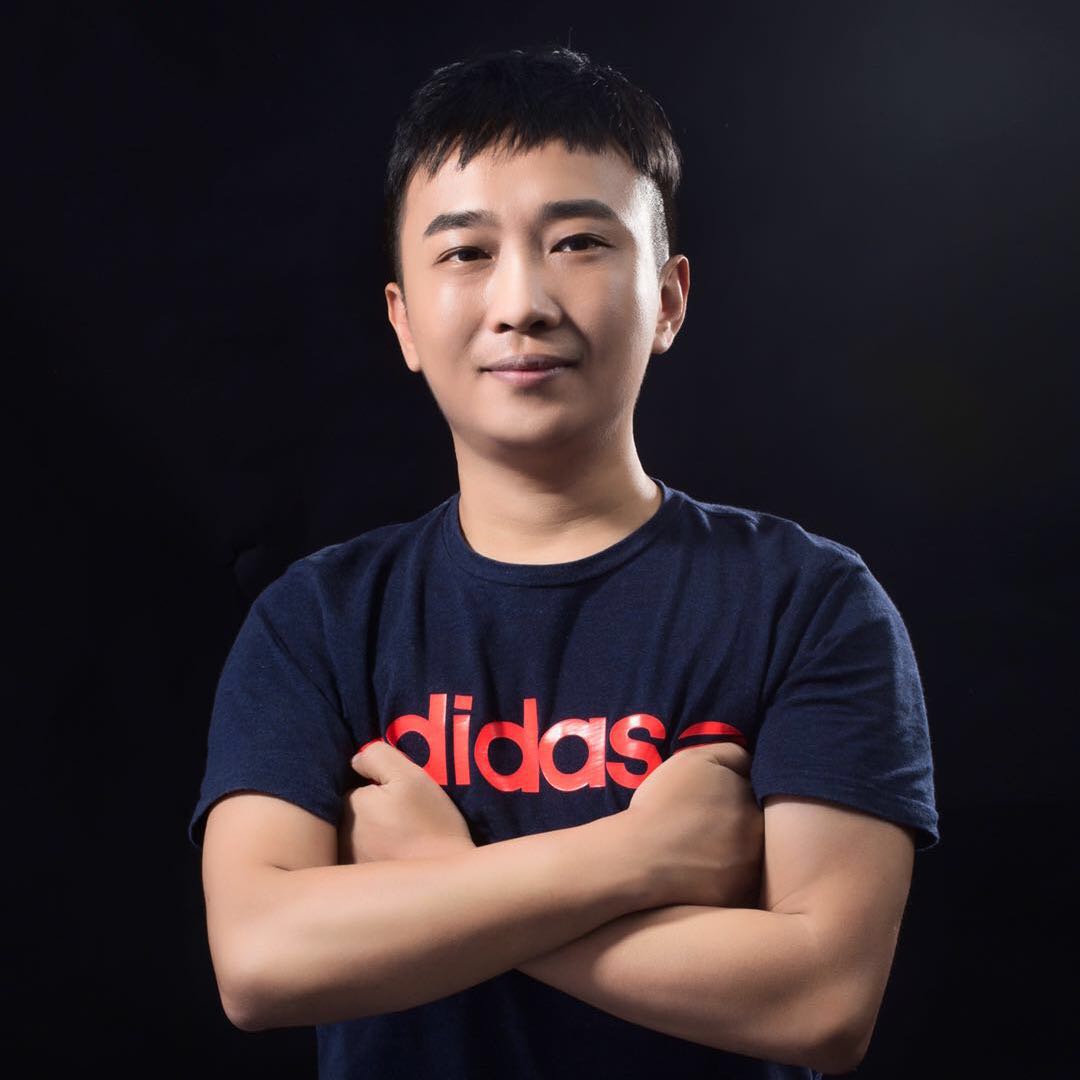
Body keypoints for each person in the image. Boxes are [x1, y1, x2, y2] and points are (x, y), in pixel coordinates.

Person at [188, 45, 939, 1080]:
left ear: (668, 298)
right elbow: (262, 962)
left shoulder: (807, 603)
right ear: (404, 320)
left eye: (579, 241)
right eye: (465, 252)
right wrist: (635, 858)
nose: (522, 303)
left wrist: (439, 878)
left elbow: (821, 999)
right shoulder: (317, 619)